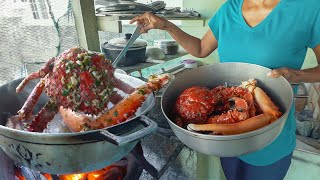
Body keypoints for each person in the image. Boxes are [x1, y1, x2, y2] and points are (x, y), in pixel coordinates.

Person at [130, 0, 320, 179]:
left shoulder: (309, 8)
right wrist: (166, 25)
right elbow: (201, 49)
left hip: (270, 139)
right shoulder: (230, 7)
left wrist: (295, 75)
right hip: (225, 137)